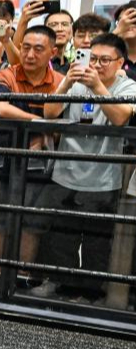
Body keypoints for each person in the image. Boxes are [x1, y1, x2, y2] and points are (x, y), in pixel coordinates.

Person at [36, 33, 136, 302]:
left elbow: (120, 119)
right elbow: (49, 113)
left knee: (97, 240)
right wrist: (67, 82)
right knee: (62, 237)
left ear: (121, 63)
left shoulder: (128, 87)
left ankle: (92, 293)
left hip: (104, 177)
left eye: (105, 60)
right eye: (93, 58)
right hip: (66, 171)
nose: (97, 65)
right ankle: (63, 287)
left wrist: (98, 87)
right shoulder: (76, 83)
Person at [0, 25, 65, 284]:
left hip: (42, 166)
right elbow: (0, 109)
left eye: (38, 49)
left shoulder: (60, 82)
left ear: (52, 52)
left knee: (32, 225)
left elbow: (66, 125)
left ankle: (21, 276)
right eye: (26, 48)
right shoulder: (7, 75)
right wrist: (40, 123)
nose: (30, 54)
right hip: (4, 160)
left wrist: (48, 135)